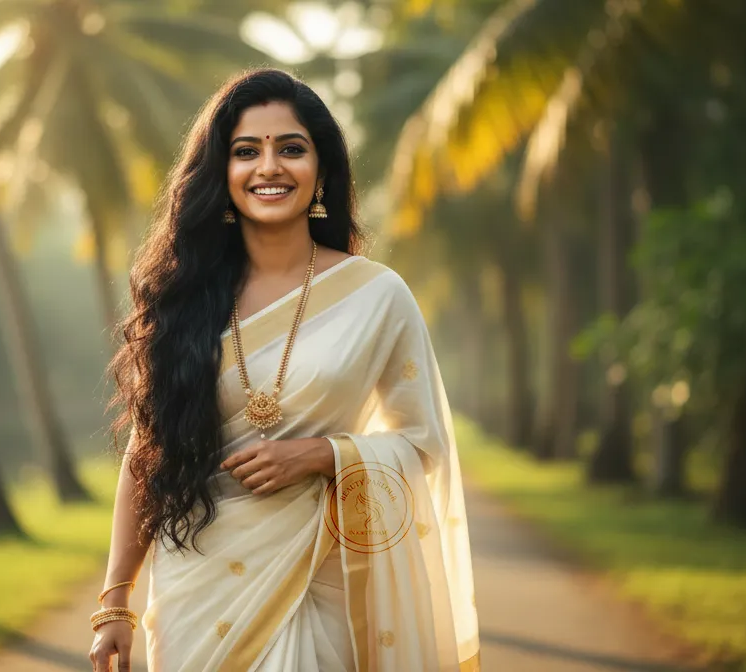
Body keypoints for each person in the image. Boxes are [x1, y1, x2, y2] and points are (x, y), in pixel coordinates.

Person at [90, 68, 479, 672]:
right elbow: (148, 454)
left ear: (321, 171)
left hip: (320, 578)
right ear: (222, 174)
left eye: (291, 149)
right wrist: (116, 602)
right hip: (200, 588)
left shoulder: (376, 295)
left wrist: (322, 455)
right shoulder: (186, 300)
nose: (268, 167)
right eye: (246, 152)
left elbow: (421, 442)